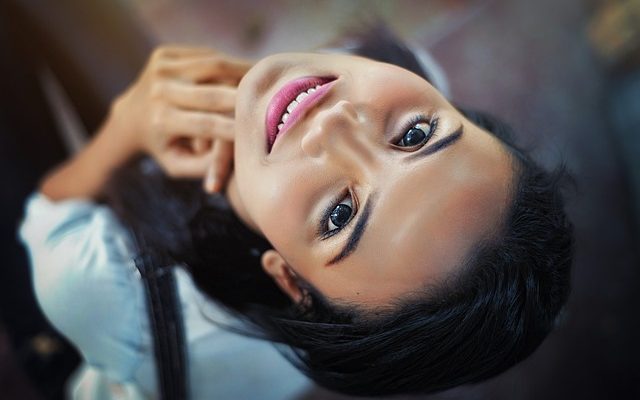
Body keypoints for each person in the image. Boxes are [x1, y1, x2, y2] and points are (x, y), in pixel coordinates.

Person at [19, 26, 573, 398]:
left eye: (340, 216)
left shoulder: (109, 295)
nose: (334, 125)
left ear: (288, 278)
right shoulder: (409, 71)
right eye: (416, 134)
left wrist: (126, 126)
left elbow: (46, 211)